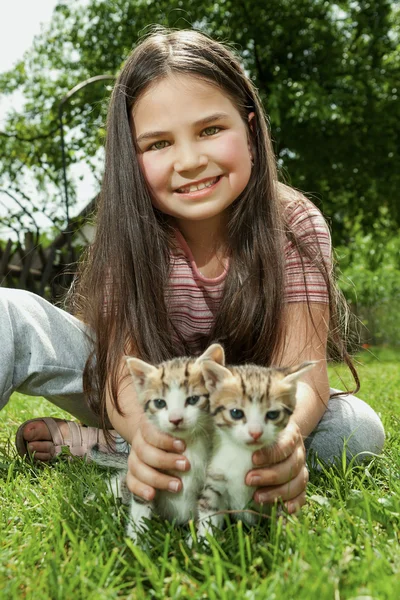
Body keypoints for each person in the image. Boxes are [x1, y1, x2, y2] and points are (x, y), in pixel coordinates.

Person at [2, 28, 384, 514]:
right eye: (159, 143)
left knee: (355, 430)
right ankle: (135, 448)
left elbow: (300, 375)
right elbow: (122, 368)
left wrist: (281, 441)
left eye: (209, 130)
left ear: (250, 130)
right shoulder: (130, 231)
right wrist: (145, 432)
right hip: (133, 393)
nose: (189, 161)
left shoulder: (293, 223)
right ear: (131, 158)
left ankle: (99, 448)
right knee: (7, 314)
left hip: (234, 409)